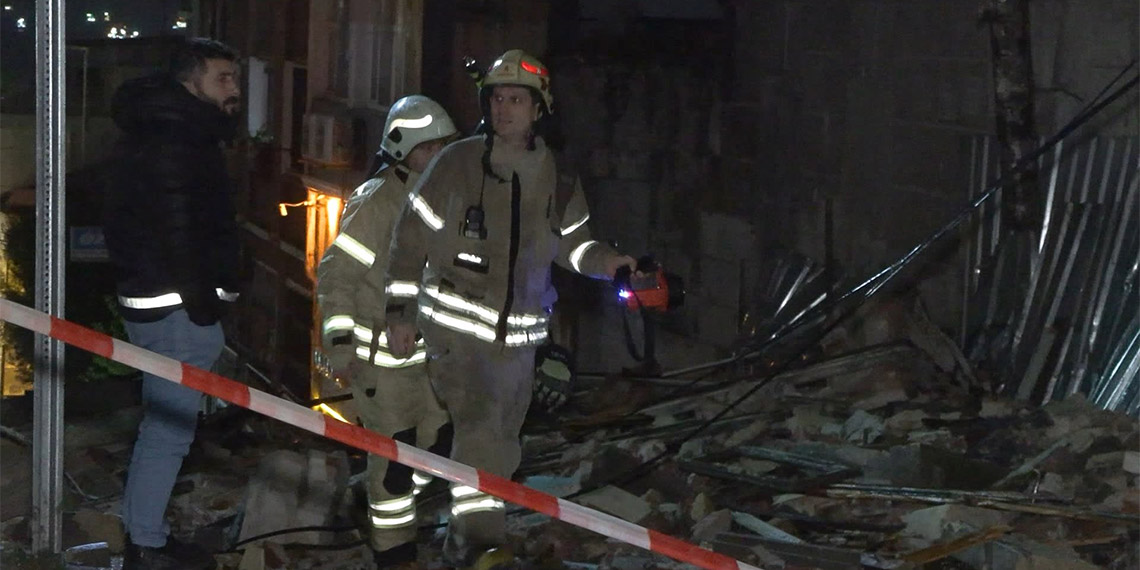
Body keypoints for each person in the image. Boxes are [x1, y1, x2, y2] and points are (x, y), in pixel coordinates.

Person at [384, 49, 638, 566]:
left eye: (516, 99)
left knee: (502, 443)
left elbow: (575, 244)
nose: (504, 108)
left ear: (538, 108)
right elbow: (409, 239)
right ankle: (483, 545)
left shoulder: (557, 176)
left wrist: (609, 263)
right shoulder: (456, 164)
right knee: (479, 432)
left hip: (518, 344)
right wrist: (400, 314)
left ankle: (460, 538)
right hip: (456, 332)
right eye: (497, 98)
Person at [103, 37, 242, 570]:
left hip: (164, 304)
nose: (233, 90)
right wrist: (204, 306)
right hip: (178, 311)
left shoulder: (169, 132)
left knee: (168, 428)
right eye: (223, 78)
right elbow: (179, 228)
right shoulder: (177, 140)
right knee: (168, 434)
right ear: (191, 82)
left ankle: (147, 537)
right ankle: (147, 546)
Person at [315, 95, 458, 568]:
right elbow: (337, 276)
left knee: (438, 445)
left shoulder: (442, 195)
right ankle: (395, 555)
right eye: (430, 146)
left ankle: (380, 509)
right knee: (394, 470)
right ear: (403, 150)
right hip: (382, 363)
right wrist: (339, 347)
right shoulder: (378, 202)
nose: (440, 154)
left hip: (429, 358)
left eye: (445, 144)